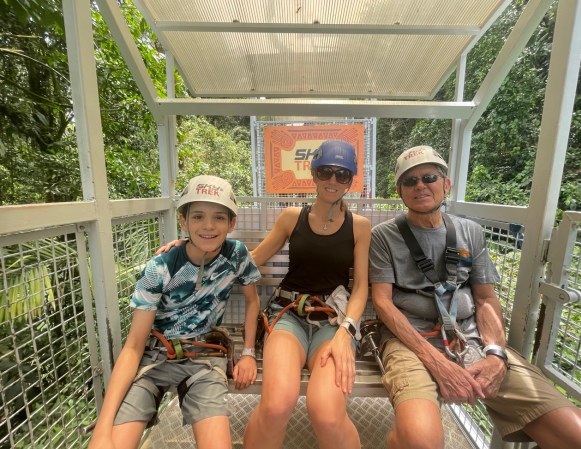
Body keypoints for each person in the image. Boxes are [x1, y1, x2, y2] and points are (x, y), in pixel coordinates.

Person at [369, 145, 581, 449]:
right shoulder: (384, 236)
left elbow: (486, 299)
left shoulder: (470, 232)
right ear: (400, 191)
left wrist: (495, 354)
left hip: (471, 336)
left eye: (429, 177)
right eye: (410, 181)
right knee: (420, 442)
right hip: (412, 340)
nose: (420, 186)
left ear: (446, 184)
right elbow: (383, 303)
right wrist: (437, 363)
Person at [88, 175, 261, 449]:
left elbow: (253, 301)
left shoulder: (236, 255)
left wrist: (248, 353)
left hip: (205, 356)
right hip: (156, 358)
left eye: (218, 217)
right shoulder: (160, 267)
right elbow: (134, 345)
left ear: (231, 223)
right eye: (198, 217)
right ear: (183, 221)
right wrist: (103, 428)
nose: (208, 226)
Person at [243, 140, 372, 449]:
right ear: (314, 174)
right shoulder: (292, 218)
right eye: (325, 172)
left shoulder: (359, 227)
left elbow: (361, 287)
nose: (333, 180)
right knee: (275, 406)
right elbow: (253, 259)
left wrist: (345, 331)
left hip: (332, 323)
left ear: (350, 181)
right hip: (288, 316)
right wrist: (193, 250)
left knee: (327, 414)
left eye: (342, 174)